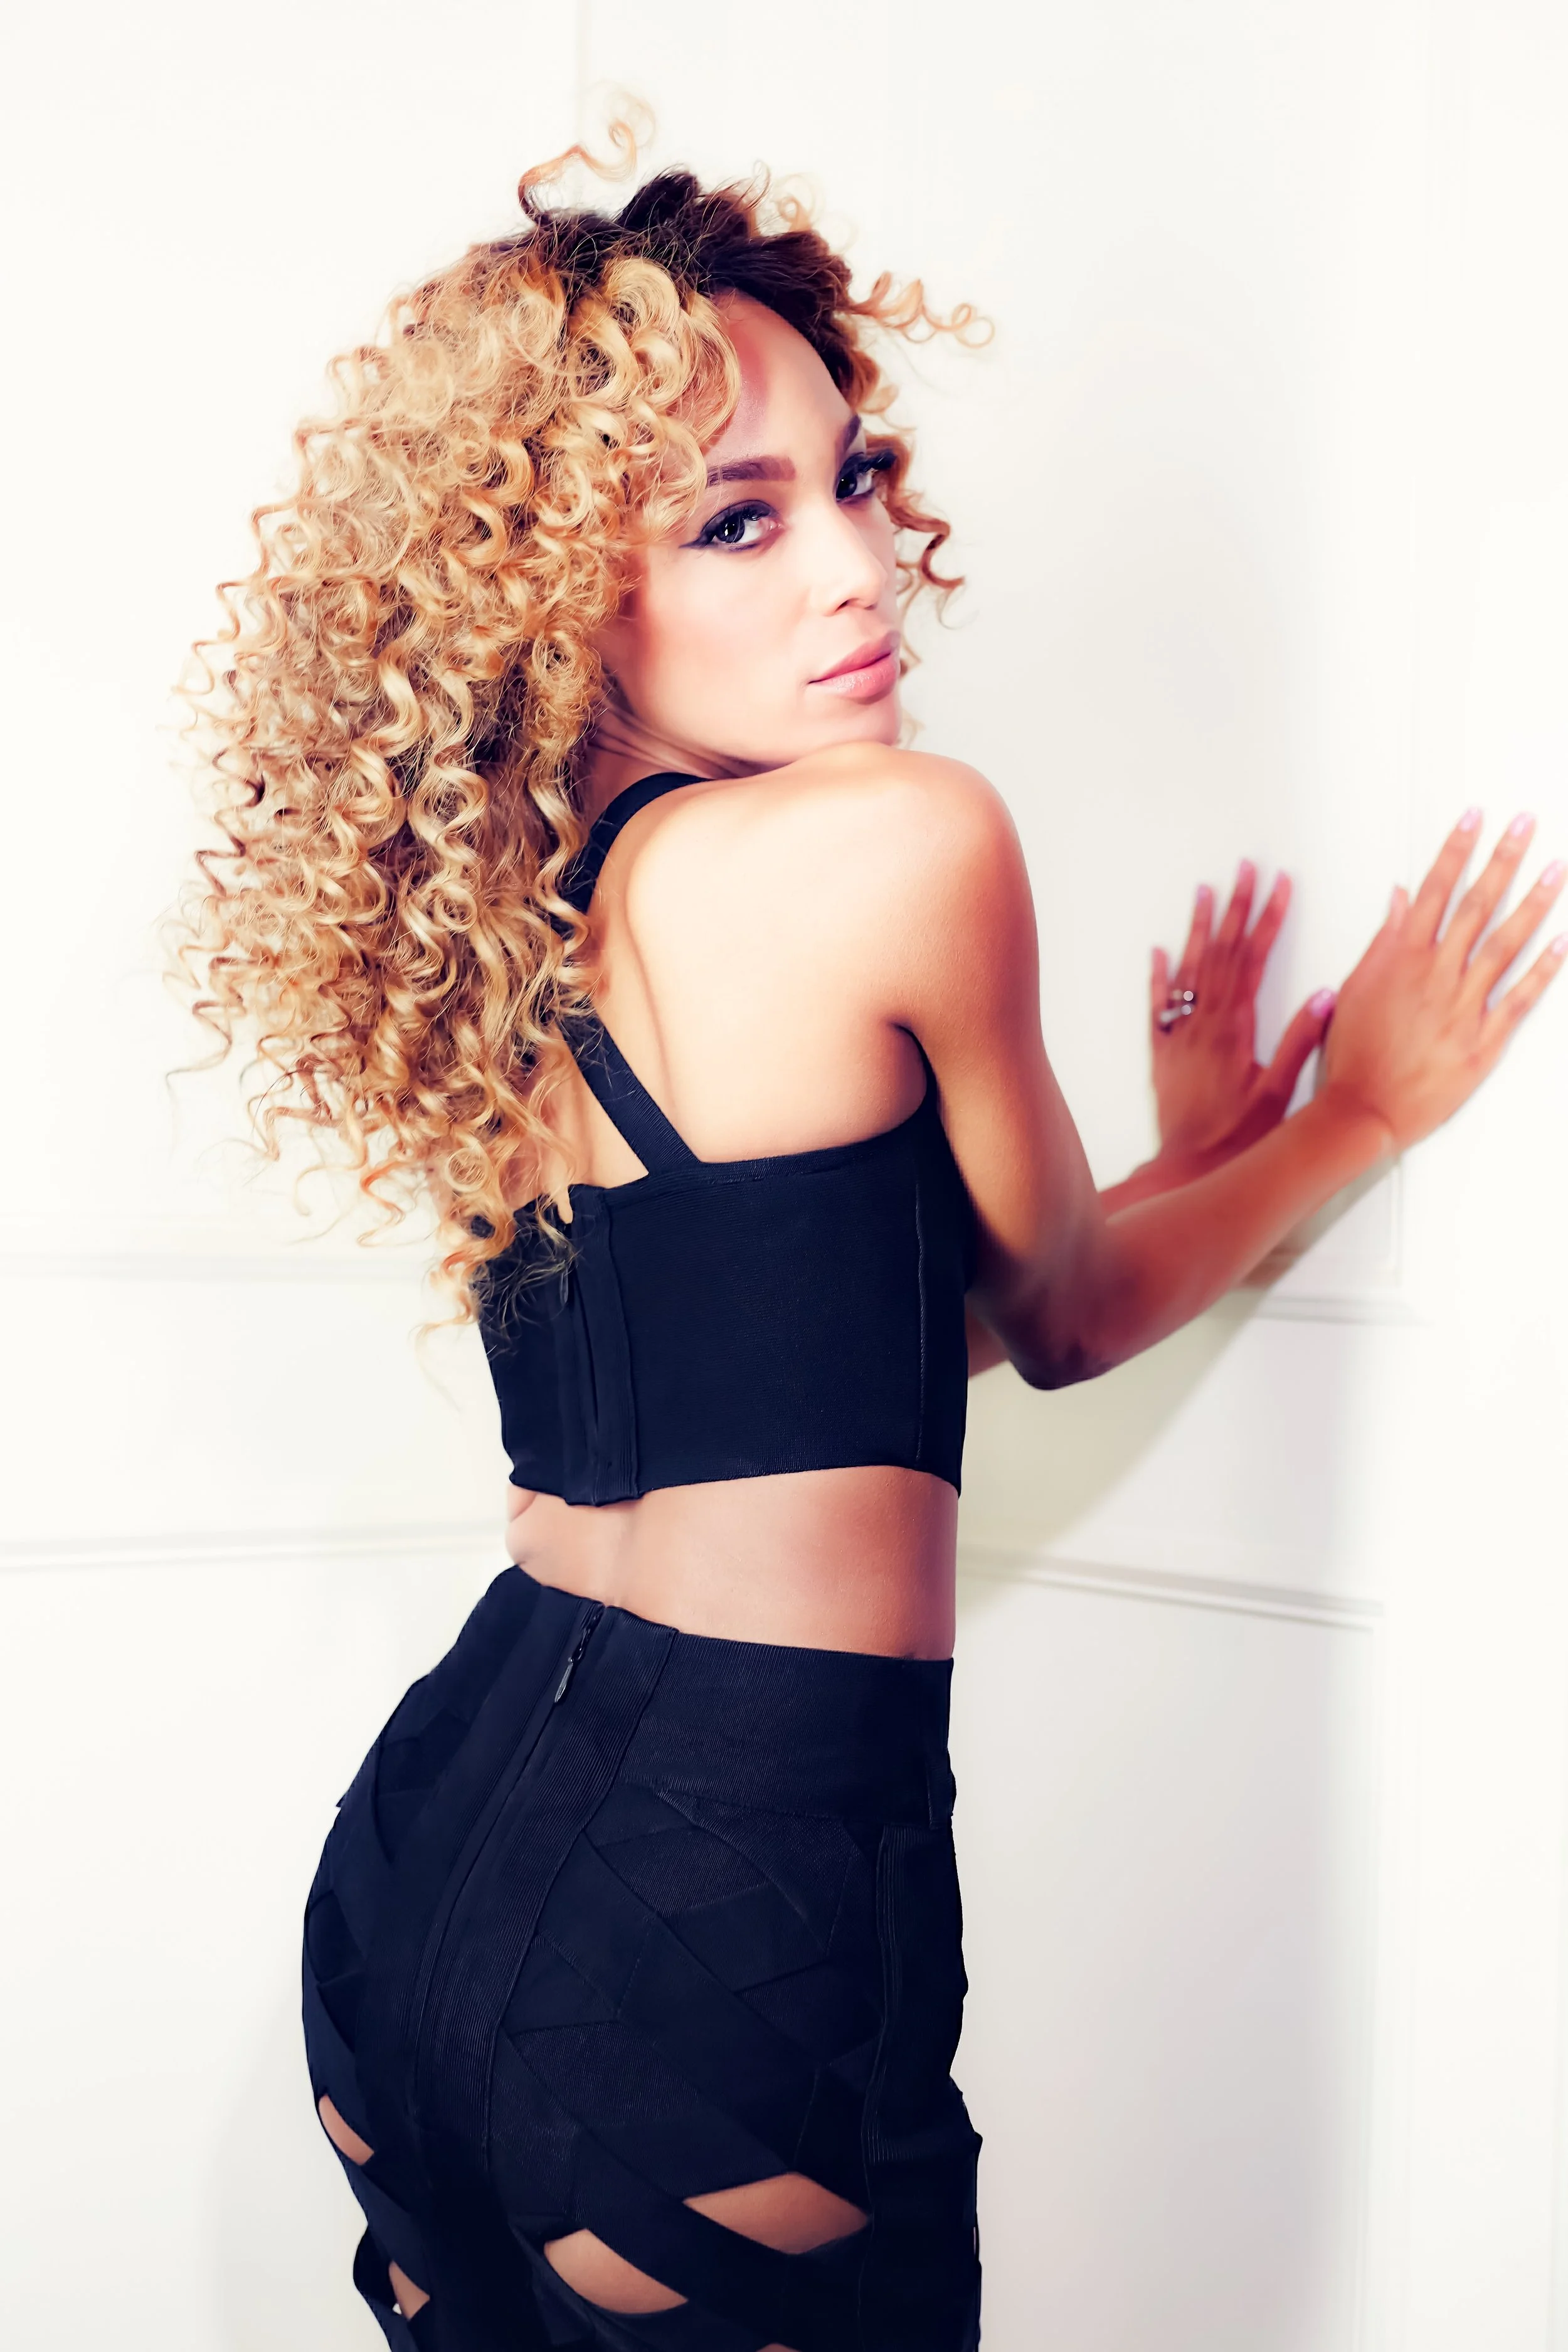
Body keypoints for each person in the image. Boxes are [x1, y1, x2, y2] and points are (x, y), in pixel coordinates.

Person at [180, 143, 1564, 2352]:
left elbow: (826, 1351)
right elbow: (1062, 1311)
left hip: (425, 1874)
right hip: (721, 1941)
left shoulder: (503, 947)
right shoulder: (897, 841)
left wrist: (1196, 1153)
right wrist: (1358, 1110)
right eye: (735, 521)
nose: (856, 570)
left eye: (850, 479)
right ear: (556, 591)